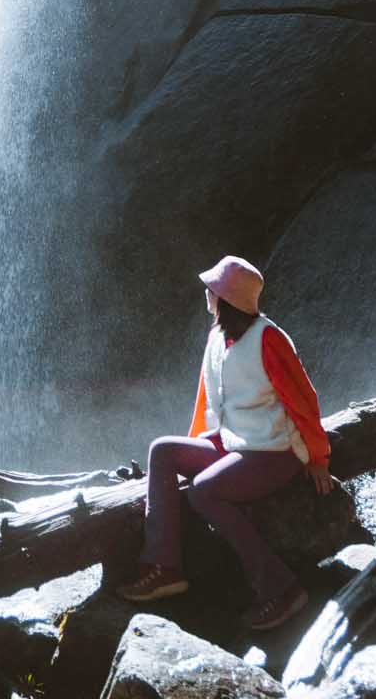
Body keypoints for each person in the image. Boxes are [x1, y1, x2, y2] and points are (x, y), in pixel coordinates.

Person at [113, 254, 334, 630]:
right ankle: (164, 568)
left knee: (203, 491)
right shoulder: (218, 337)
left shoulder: (268, 338)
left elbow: (303, 398)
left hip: (274, 450)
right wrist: (194, 446)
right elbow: (208, 399)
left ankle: (281, 588)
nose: (206, 292)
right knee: (163, 452)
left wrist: (318, 455)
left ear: (225, 296)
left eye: (212, 288)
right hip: (234, 442)